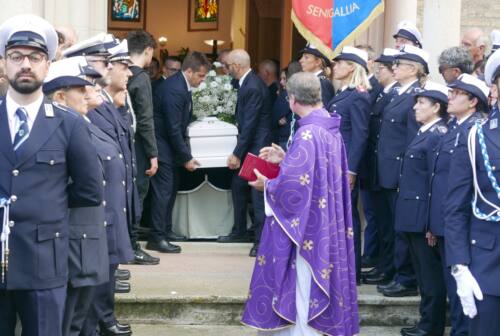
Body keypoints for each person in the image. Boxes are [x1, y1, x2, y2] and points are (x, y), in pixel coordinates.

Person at [0, 14, 102, 336]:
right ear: (4, 64)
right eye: (17, 57)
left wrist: (49, 203)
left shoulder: (67, 123)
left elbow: (89, 190)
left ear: (47, 65)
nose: (25, 64)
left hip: (45, 262)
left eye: (35, 57)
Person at [242, 72, 359, 336]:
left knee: (302, 291)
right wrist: (285, 159)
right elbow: (313, 174)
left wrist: (267, 184)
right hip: (323, 222)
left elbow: (294, 189)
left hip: (307, 232)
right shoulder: (329, 127)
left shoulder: (307, 133)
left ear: (292, 99)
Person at [42, 56, 110, 336]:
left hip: (86, 236)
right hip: (72, 238)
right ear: (59, 95)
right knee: (68, 322)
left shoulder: (78, 123)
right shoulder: (60, 127)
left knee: (79, 319)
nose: (88, 93)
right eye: (80, 89)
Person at [428, 73, 485, 336]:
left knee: (464, 298)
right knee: (455, 292)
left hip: (464, 226)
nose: (449, 98)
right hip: (447, 222)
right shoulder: (456, 127)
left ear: (473, 101)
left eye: (456, 94)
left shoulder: (475, 131)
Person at [444, 60, 496, 335]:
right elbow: (457, 207)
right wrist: (459, 266)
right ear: (495, 89)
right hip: (488, 266)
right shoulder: (478, 137)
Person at [395, 82, 449, 336]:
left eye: (422, 103)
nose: (415, 107)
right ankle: (425, 322)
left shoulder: (437, 134)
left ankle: (431, 326)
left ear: (437, 107)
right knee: (422, 274)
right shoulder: (424, 131)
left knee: (430, 278)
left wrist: (430, 223)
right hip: (410, 215)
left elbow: (434, 183)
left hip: (421, 217)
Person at [377, 44, 430, 298]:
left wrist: (403, 175)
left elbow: (412, 140)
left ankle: (405, 278)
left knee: (401, 229)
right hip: (387, 170)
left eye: (399, 64)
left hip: (399, 172)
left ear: (413, 69)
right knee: (392, 226)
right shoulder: (399, 93)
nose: (394, 68)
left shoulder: (414, 97)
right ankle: (396, 273)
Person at [150, 51, 210, 252]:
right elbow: (173, 127)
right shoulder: (175, 89)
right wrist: (186, 157)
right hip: (162, 147)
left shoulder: (180, 85)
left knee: (169, 190)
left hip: (169, 148)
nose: (202, 81)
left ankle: (163, 232)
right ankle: (158, 236)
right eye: (200, 76)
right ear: (189, 71)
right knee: (163, 193)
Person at [217, 49, 271, 257]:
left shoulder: (253, 87)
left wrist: (237, 153)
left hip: (257, 147)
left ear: (236, 67)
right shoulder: (248, 83)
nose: (226, 69)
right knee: (238, 185)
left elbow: (250, 124)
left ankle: (261, 242)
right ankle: (239, 230)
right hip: (252, 144)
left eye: (228, 66)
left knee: (257, 195)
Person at [326, 46, 371, 282]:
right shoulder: (344, 92)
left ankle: (352, 271)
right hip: (335, 162)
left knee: (348, 217)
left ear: (351, 66)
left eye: (340, 63)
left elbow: (360, 134)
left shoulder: (358, 95)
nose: (335, 67)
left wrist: (351, 169)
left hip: (345, 165)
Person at [361, 48, 400, 285]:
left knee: (389, 225)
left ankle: (389, 269)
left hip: (387, 169)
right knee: (382, 222)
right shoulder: (381, 92)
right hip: (376, 167)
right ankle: (383, 266)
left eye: (384, 68)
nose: (379, 71)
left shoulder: (394, 95)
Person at [125, 30, 159, 233]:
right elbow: (146, 119)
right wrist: (153, 154)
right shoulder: (141, 77)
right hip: (138, 144)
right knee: (138, 194)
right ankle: (132, 243)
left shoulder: (117, 71)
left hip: (121, 141)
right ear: (147, 50)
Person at [271, 61, 301, 150]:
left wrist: (277, 120)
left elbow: (274, 117)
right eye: (281, 79)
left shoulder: (286, 94)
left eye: (285, 78)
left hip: (287, 138)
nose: (281, 82)